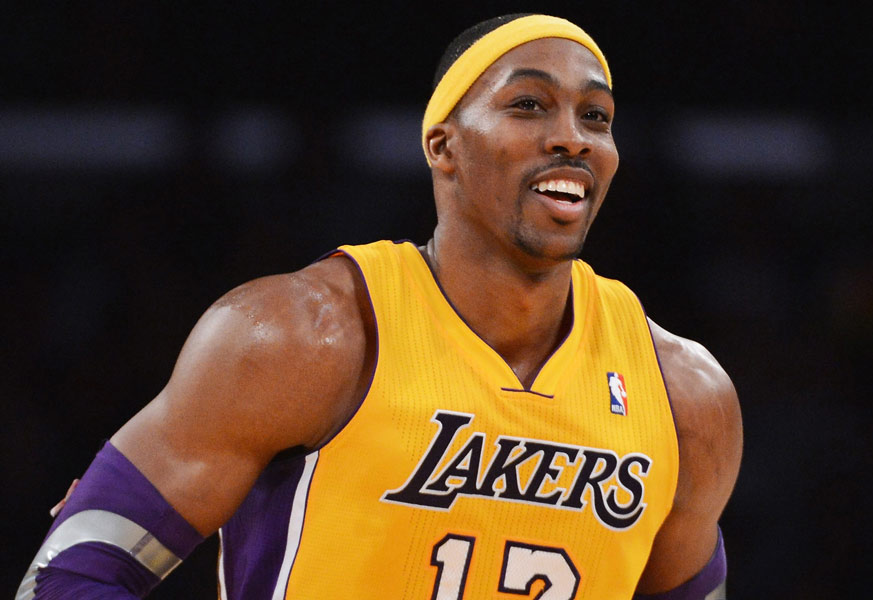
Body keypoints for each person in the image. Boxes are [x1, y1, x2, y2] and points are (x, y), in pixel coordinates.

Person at [18, 14, 742, 600]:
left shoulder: (687, 397)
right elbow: (70, 574)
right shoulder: (302, 336)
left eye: (596, 116)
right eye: (528, 104)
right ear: (443, 146)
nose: (571, 138)